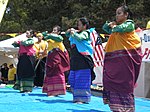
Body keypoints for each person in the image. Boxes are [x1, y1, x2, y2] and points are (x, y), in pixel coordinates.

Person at [102, 5, 142, 111]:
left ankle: (127, 108)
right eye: (116, 13)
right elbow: (105, 28)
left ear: (126, 15)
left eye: (119, 13)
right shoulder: (115, 29)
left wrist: (113, 26)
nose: (117, 16)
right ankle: (116, 107)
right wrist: (109, 24)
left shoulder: (129, 24)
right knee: (110, 80)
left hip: (127, 58)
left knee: (124, 82)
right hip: (116, 59)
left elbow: (121, 28)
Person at [65, 17, 94, 104]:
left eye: (79, 24)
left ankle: (82, 98)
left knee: (82, 78)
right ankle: (76, 97)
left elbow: (80, 38)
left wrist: (73, 33)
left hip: (83, 58)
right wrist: (69, 31)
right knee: (73, 77)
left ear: (85, 26)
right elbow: (67, 35)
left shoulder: (86, 33)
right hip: (75, 58)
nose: (77, 26)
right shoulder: (75, 33)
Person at [42, 25, 70, 97]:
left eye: (55, 30)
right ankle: (50, 90)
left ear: (59, 32)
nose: (53, 32)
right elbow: (44, 37)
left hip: (57, 58)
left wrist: (49, 35)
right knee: (50, 72)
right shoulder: (49, 38)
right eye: (53, 30)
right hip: (51, 57)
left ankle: (57, 91)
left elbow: (58, 39)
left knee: (57, 71)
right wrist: (45, 34)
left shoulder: (59, 38)